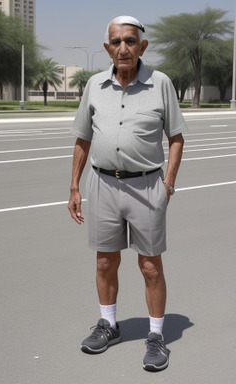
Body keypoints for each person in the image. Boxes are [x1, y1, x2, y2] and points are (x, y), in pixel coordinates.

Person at [68, 15, 187, 372]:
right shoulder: (94, 85)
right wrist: (74, 185)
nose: (123, 48)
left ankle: (155, 337)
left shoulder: (160, 83)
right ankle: (109, 325)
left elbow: (176, 137)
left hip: (147, 186)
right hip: (102, 184)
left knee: (150, 265)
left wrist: (168, 183)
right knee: (105, 261)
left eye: (130, 41)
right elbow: (83, 138)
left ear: (142, 46)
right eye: (116, 41)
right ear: (108, 47)